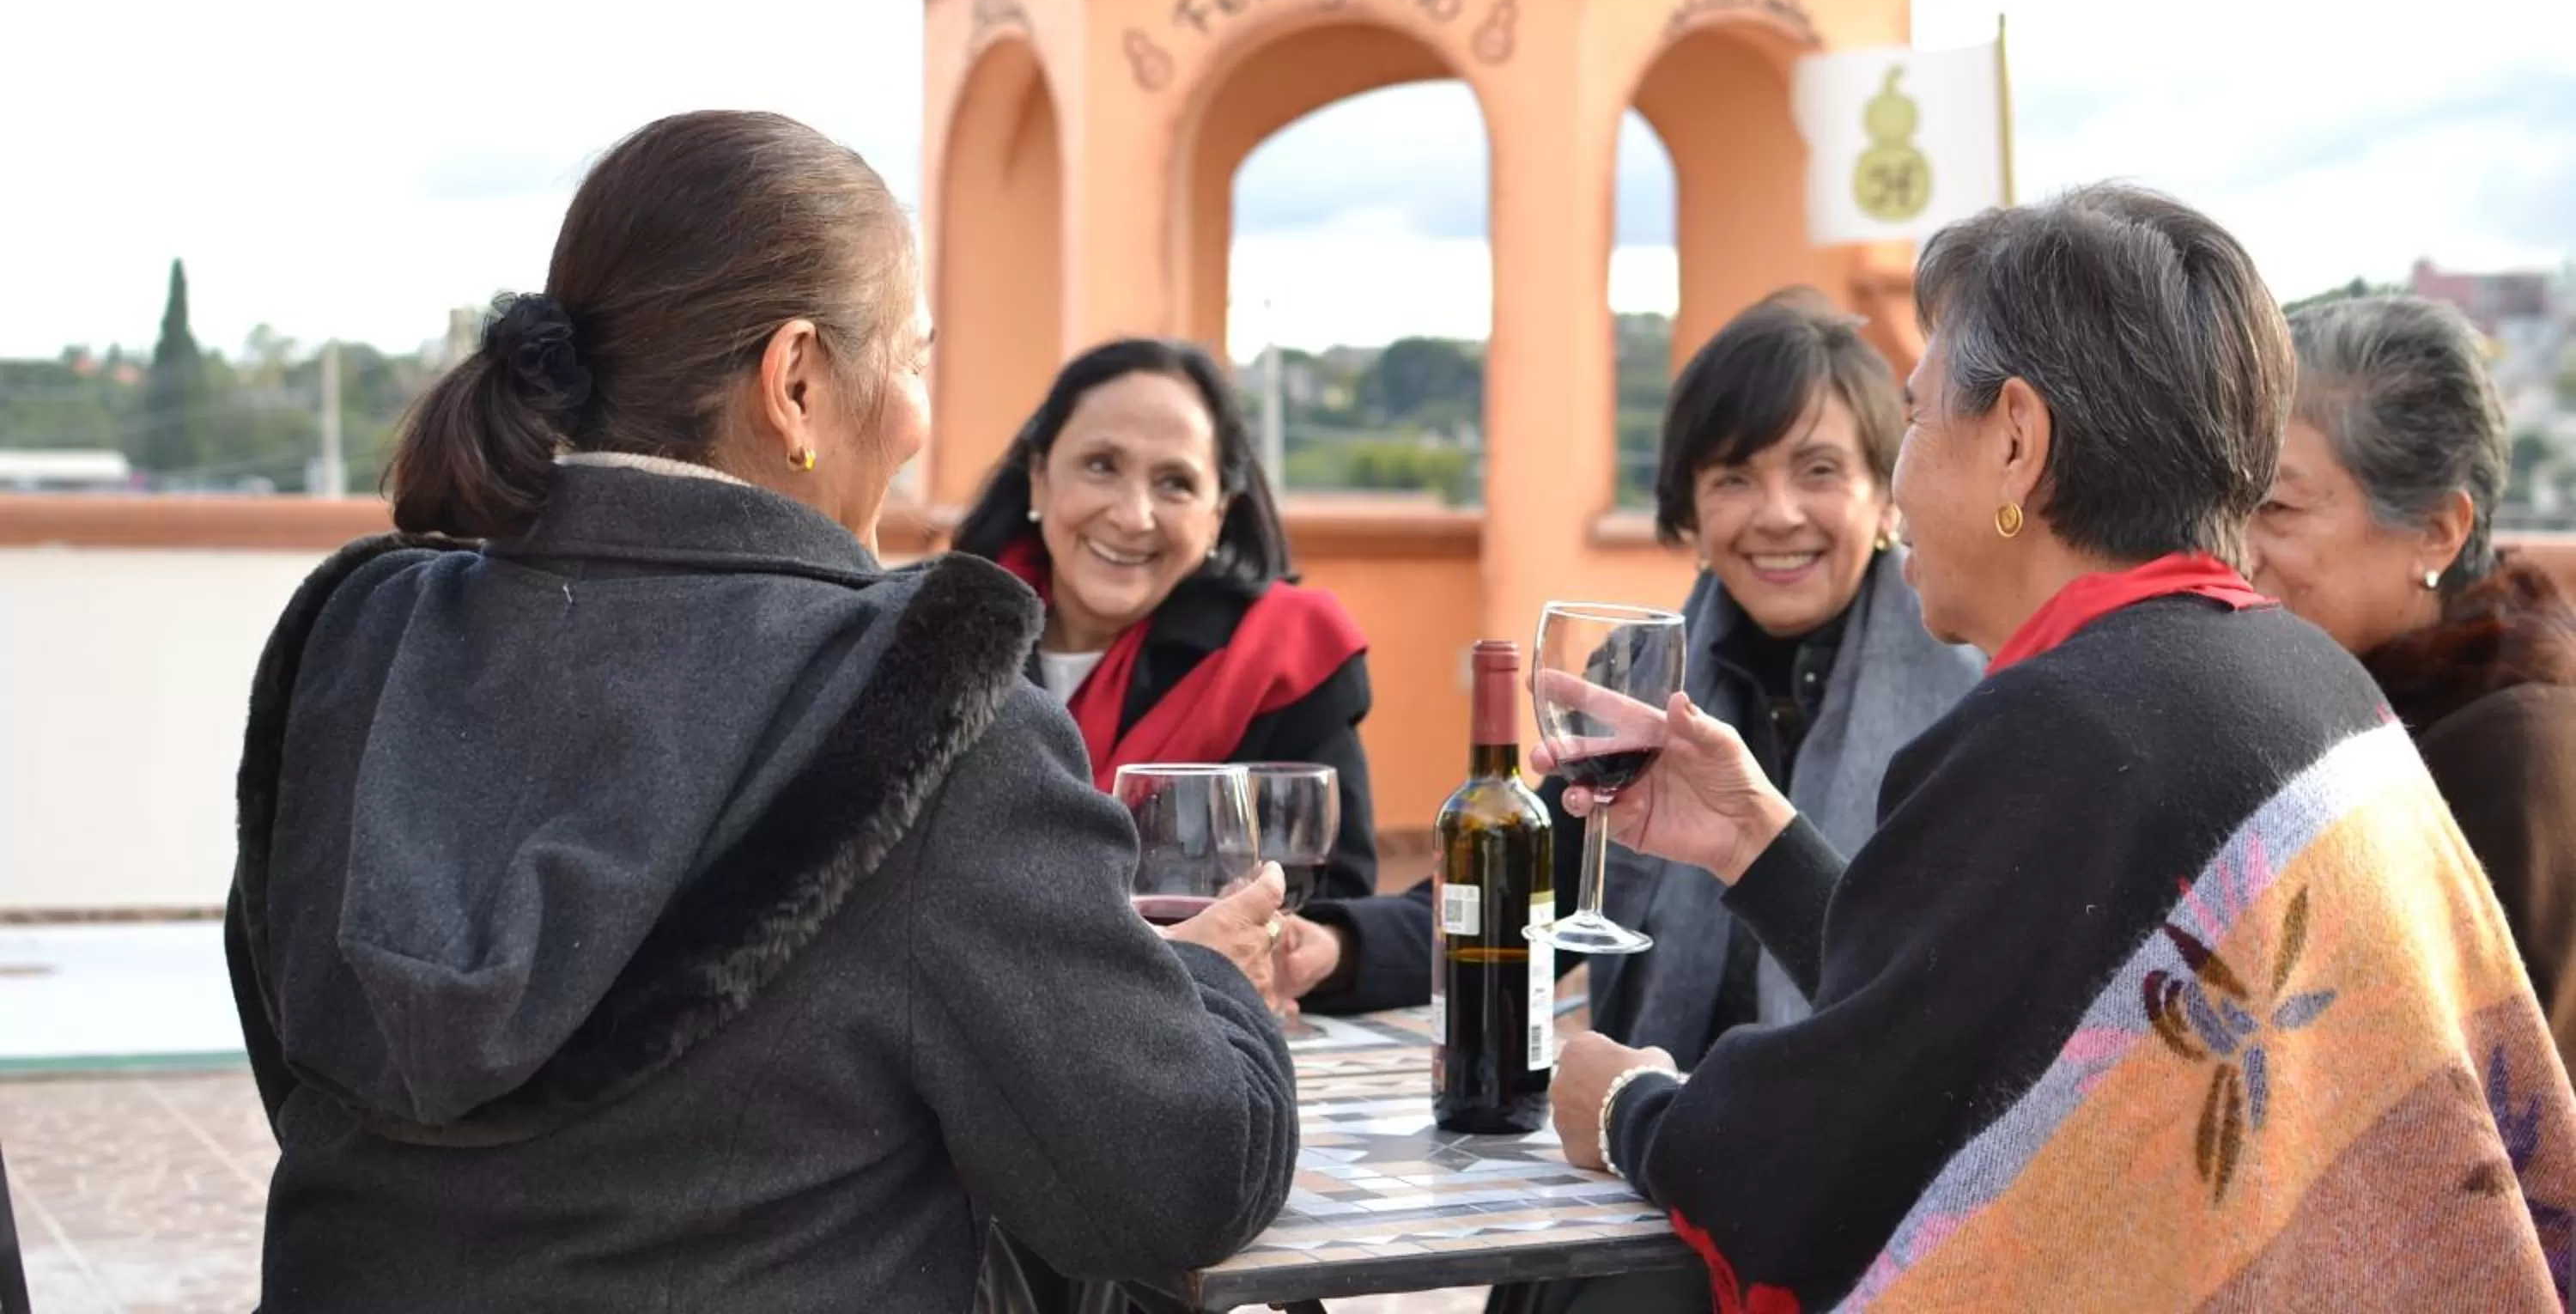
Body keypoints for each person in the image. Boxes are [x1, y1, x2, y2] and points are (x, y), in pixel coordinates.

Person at [222, 112, 1297, 1313]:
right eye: (914, 359)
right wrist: (1208, 989)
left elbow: (313, 1062)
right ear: (796, 384)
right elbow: (1174, 1184)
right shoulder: (924, 706)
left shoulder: (355, 634)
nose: (919, 411)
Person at [1542, 186, 2576, 1310]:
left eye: (1921, 416)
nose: (1900, 476)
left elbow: (1833, 1174)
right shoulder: (2298, 670)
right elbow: (1968, 1017)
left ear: (2017, 443)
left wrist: (1627, 1107)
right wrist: (1757, 839)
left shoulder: (2064, 723)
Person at [1281, 293, 1980, 1066]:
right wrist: (1336, 947)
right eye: (1733, 480)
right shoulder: (1642, 681)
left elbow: (1956, 987)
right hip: (1650, 1124)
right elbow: (1524, 912)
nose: (1777, 515)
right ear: (1692, 514)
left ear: (1886, 496)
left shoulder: (1972, 691)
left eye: (1819, 471)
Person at [2250, 293, 2576, 1062]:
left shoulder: (2510, 755)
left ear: (2436, 530)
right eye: (2230, 503)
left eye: (2279, 508)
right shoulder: (2341, 702)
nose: (2237, 549)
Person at [955, 338, 1377, 902]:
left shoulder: (1282, 658)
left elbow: (1330, 910)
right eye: (1101, 466)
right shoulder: (939, 633)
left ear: (1218, 515)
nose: (1132, 517)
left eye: (1175, 483)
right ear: (1040, 476)